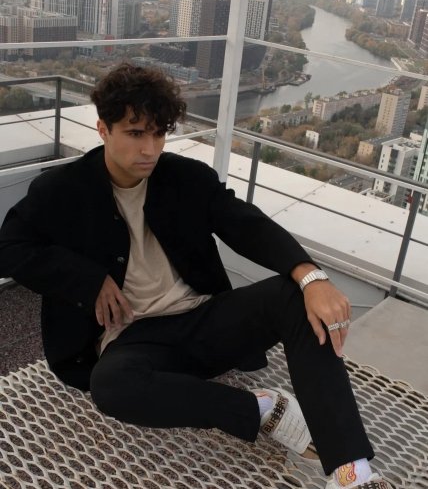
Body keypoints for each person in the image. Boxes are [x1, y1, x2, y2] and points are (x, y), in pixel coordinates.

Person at [0, 63, 390, 489]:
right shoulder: (62, 190)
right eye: (135, 133)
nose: (149, 149)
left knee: (296, 296)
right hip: (133, 340)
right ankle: (261, 409)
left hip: (204, 319)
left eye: (158, 134)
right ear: (103, 129)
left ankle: (351, 472)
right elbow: (9, 248)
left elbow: (245, 224)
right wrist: (88, 280)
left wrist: (311, 276)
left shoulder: (185, 178)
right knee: (110, 386)